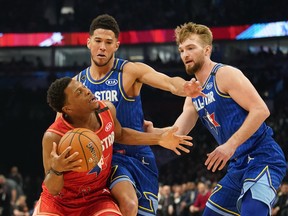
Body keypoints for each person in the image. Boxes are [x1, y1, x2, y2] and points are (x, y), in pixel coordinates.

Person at [149, 22, 287, 216]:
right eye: (181, 50)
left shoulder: (225, 74)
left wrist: (230, 146)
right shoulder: (193, 92)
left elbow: (261, 110)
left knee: (252, 210)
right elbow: (178, 131)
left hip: (263, 157)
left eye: (190, 48)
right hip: (238, 165)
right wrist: (151, 132)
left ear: (207, 50)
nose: (185, 54)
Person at [73, 14, 203, 216]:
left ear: (116, 45)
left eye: (108, 42)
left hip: (139, 156)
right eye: (98, 41)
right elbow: (62, 127)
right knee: (127, 205)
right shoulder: (77, 85)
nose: (102, 47)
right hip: (106, 159)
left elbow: (169, 82)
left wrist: (185, 87)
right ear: (88, 42)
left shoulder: (129, 71)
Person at [33, 77, 192, 216]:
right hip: (60, 203)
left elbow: (121, 134)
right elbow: (53, 189)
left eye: (83, 87)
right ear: (67, 109)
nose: (87, 91)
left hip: (95, 198)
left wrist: (158, 138)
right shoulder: (54, 136)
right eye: (79, 93)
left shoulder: (106, 110)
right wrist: (57, 169)